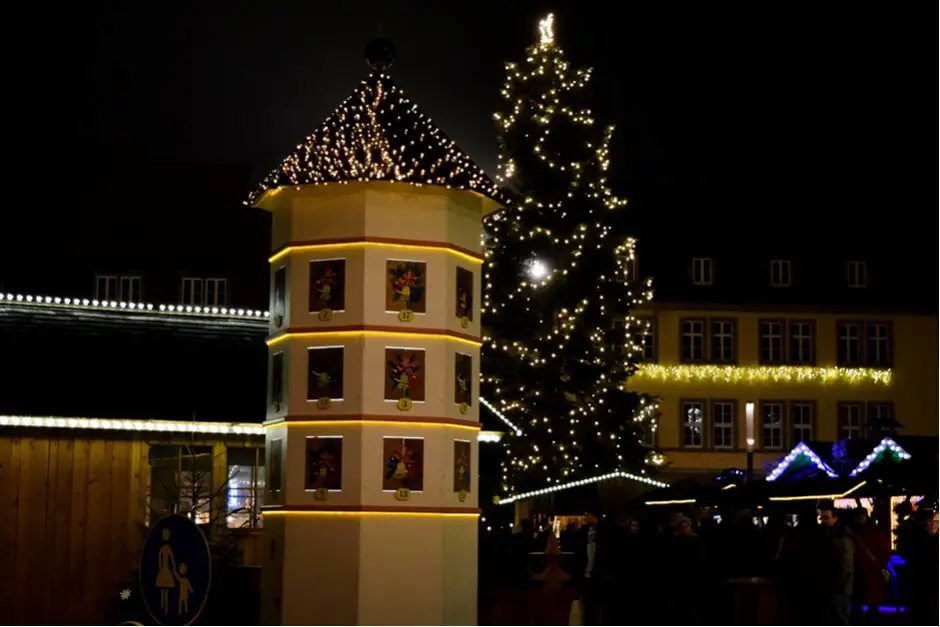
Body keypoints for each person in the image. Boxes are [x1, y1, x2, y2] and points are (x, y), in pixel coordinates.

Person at [844, 507, 890, 618]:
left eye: (862, 515)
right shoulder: (869, 531)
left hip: (867, 569)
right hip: (864, 569)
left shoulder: (854, 532)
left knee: (867, 599)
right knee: (866, 598)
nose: (861, 518)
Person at [818, 504, 854, 625]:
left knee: (839, 618)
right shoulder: (832, 535)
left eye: (826, 518)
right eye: (822, 518)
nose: (823, 521)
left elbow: (846, 565)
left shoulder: (841, 537)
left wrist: (839, 583)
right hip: (835, 586)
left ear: (836, 518)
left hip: (839, 587)